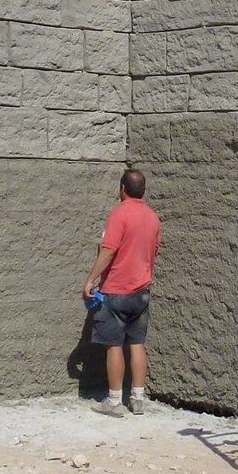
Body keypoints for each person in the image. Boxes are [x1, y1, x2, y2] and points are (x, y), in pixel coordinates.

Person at [83, 169, 162, 416]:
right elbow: (154, 251)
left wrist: (90, 280)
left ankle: (115, 401)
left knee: (113, 345)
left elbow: (108, 250)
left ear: (122, 189)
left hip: (116, 290)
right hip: (141, 292)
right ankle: (138, 399)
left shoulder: (119, 213)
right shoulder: (152, 217)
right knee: (137, 343)